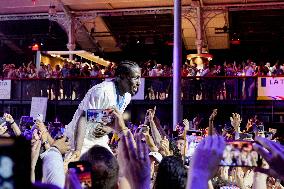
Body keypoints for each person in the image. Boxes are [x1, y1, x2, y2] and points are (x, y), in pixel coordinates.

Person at [66, 61, 141, 158]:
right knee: (80, 171)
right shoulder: (102, 91)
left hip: (99, 140)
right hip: (79, 140)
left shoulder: (127, 97)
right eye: (136, 78)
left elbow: (112, 119)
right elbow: (84, 118)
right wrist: (78, 150)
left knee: (111, 169)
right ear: (122, 76)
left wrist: (107, 128)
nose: (139, 82)